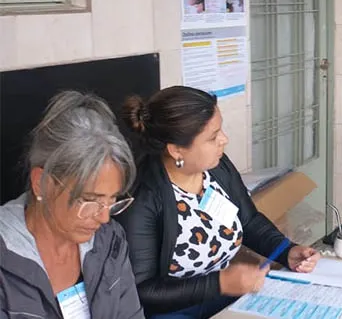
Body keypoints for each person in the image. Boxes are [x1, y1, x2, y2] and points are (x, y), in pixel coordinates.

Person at [117, 86, 321, 319]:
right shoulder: (143, 198)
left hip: (225, 297)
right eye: (213, 137)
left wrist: (286, 251)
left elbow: (249, 220)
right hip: (173, 311)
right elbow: (142, 290)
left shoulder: (216, 167)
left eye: (220, 130)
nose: (224, 140)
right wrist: (219, 283)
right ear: (176, 150)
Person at [0, 92, 143, 318]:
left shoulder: (110, 240)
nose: (104, 218)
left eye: (112, 200)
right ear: (42, 183)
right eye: (89, 200)